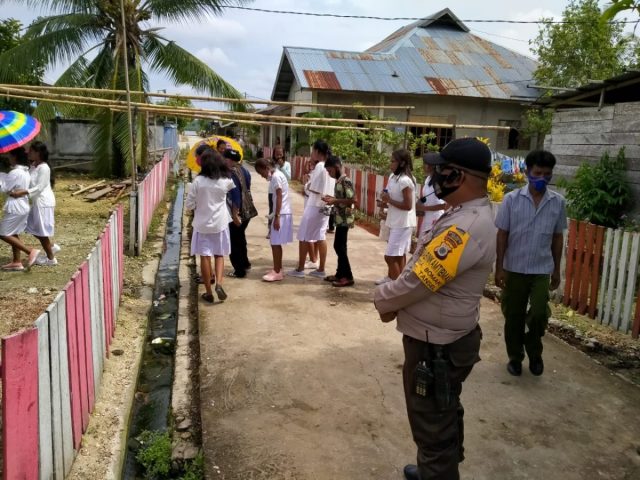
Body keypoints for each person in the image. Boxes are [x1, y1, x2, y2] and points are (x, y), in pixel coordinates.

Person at [374, 137, 496, 480]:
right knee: (441, 411)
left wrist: (383, 299)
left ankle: (437, 469)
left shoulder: (465, 227)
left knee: (432, 421)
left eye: (441, 170)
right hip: (439, 338)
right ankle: (434, 468)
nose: (434, 175)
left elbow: (420, 280)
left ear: (459, 176)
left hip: (436, 346)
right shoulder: (462, 212)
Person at [495, 150, 567, 377]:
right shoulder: (511, 200)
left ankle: (535, 352)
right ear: (527, 172)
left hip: (541, 269)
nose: (542, 178)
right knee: (513, 316)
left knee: (538, 313)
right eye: (537, 173)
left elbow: (557, 237)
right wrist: (499, 267)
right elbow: (502, 234)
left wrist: (557, 270)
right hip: (514, 268)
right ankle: (515, 357)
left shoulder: (557, 202)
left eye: (547, 174)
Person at [185, 150, 240, 303]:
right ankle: (219, 284)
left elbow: (189, 205)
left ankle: (208, 292)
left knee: (204, 256)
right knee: (219, 255)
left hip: (202, 224)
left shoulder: (198, 181)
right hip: (220, 223)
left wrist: (199, 204)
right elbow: (234, 192)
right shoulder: (225, 180)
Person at [287, 140, 335, 279]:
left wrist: (306, 185)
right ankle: (321, 269)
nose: (311, 153)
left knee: (303, 236)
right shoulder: (331, 165)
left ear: (318, 152)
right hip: (325, 206)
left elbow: (315, 188)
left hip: (315, 205)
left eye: (313, 151)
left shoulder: (320, 165)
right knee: (321, 236)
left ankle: (300, 269)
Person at [9, 141, 59, 266]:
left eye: (31, 151)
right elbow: (28, 178)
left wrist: (22, 192)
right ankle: (51, 247)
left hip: (43, 202)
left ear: (38, 153)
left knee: (40, 231)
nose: (28, 153)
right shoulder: (33, 166)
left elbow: (39, 187)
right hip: (37, 202)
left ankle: (51, 259)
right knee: (30, 227)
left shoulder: (44, 168)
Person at [376, 149, 417, 285]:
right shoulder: (393, 177)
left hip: (403, 223)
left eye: (393, 161)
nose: (390, 164)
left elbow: (408, 205)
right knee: (398, 255)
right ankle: (394, 279)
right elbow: (390, 196)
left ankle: (397, 287)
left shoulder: (406, 181)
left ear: (402, 163)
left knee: (390, 256)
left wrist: (389, 201)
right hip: (395, 220)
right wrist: (384, 202)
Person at [255, 158, 293, 282]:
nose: (262, 176)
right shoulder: (277, 175)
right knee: (275, 242)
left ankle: (277, 272)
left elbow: (279, 196)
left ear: (266, 168)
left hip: (281, 214)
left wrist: (277, 216)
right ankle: (278, 268)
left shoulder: (276, 177)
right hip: (281, 212)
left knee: (275, 243)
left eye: (261, 173)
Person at [0, 147, 37, 270]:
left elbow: (5, 188)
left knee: (3, 233)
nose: (8, 158)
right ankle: (16, 261)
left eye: (9, 156)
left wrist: (1, 179)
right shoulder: (24, 171)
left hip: (15, 207)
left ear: (14, 157)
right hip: (22, 206)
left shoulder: (15, 172)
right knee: (13, 232)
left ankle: (30, 251)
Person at [322, 155, 355, 287]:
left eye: (330, 171)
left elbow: (353, 200)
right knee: (340, 246)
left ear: (336, 167)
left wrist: (335, 200)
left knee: (339, 246)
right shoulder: (339, 181)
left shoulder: (345, 181)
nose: (329, 174)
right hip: (340, 218)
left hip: (345, 219)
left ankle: (348, 276)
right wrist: (332, 199)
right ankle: (340, 274)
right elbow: (342, 198)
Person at [224, 148, 255, 278]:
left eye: (224, 158)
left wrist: (235, 214)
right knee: (240, 237)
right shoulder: (244, 170)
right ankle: (245, 263)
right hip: (247, 209)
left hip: (237, 211)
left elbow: (236, 195)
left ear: (229, 160)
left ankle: (239, 270)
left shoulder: (231, 173)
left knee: (234, 241)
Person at [416, 155, 446, 238]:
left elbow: (444, 205)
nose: (423, 166)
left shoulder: (437, 182)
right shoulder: (428, 179)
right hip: (427, 217)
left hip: (435, 219)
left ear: (432, 166)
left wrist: (424, 208)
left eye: (425, 164)